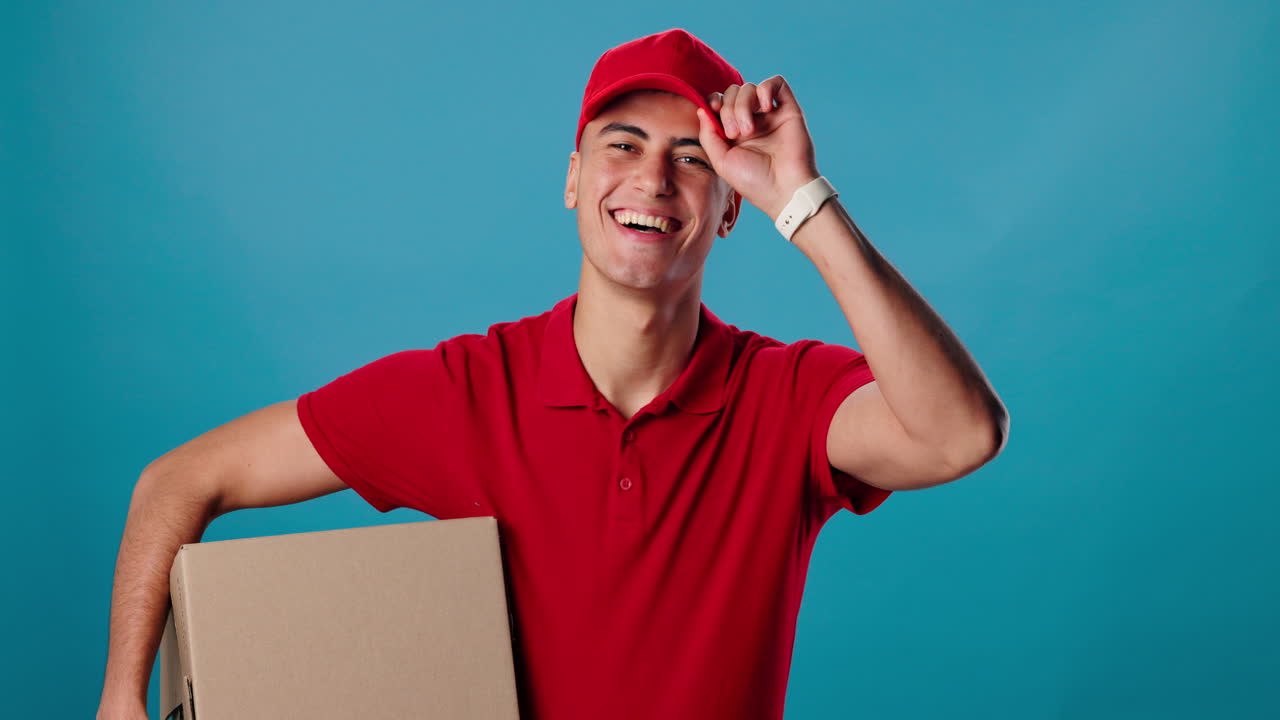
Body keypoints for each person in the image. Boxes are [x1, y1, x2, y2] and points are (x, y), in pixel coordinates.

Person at [96, 28, 1009, 720]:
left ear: (730, 212)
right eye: (622, 145)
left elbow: (961, 434)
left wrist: (802, 199)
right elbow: (179, 481)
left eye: (693, 160)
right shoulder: (467, 390)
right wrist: (120, 703)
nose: (653, 179)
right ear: (574, 178)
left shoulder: (788, 398)